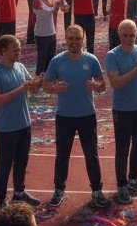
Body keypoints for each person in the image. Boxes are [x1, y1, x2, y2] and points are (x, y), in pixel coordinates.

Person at [46, 25, 110, 210]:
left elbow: (103, 85)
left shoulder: (91, 60)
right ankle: (59, 189)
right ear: (65, 39)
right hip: (64, 116)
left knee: (91, 155)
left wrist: (96, 86)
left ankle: (97, 191)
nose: (74, 42)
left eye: (77, 39)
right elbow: (46, 84)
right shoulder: (57, 61)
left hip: (87, 115)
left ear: (83, 39)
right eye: (70, 39)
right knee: (62, 156)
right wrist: (53, 88)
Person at [0, 34, 44, 211]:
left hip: (24, 123)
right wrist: (22, 88)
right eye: (15, 50)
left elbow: (31, 88)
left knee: (22, 161)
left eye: (19, 49)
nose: (19, 53)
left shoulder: (20, 67)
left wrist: (38, 82)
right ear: (3, 51)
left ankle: (19, 192)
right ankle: (0, 200)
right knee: (4, 164)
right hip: (6, 128)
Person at [106, 19, 137, 204]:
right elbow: (116, 84)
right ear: (119, 35)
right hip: (122, 109)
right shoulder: (113, 55)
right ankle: (121, 185)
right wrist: (136, 70)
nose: (129, 39)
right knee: (123, 148)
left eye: (132, 35)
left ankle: (133, 178)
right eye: (125, 35)